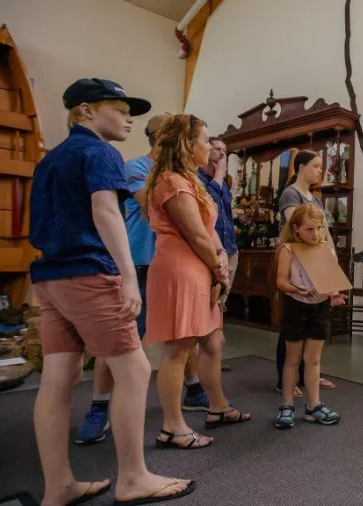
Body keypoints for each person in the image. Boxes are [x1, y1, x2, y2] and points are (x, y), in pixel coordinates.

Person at [29, 78, 193, 505]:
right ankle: (134, 478)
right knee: (135, 370)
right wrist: (126, 275)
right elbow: (105, 211)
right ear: (85, 111)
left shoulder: (50, 160)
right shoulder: (100, 151)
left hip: (49, 277)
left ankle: (59, 486)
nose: (128, 117)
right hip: (88, 273)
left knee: (57, 380)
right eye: (119, 109)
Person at [145, 114, 251, 450]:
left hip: (201, 267)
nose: (211, 147)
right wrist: (220, 269)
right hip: (182, 269)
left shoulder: (190, 180)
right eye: (205, 140)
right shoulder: (172, 182)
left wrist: (219, 255)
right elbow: (194, 234)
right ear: (187, 145)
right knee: (178, 350)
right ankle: (173, 427)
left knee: (213, 342)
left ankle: (217, 407)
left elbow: (208, 232)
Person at [273, 204, 347, 429]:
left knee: (313, 359)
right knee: (292, 360)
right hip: (296, 307)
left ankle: (314, 405)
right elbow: (281, 281)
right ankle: (287, 404)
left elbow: (328, 278)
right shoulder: (288, 250)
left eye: (319, 228)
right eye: (309, 229)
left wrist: (333, 294)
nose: (315, 234)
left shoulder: (326, 249)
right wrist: (297, 290)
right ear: (296, 229)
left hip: (320, 309)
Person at [275, 150, 338, 395]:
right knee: (291, 329)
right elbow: (297, 229)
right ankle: (285, 379)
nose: (320, 171)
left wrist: (330, 258)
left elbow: (323, 232)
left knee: (313, 328)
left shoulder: (314, 197)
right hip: (297, 264)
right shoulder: (291, 194)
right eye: (315, 166)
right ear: (301, 168)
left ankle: (309, 375)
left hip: (316, 262)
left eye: (321, 166)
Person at [197, 136, 237, 372]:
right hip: (210, 248)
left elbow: (227, 210)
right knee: (208, 301)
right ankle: (205, 354)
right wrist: (220, 173)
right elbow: (209, 205)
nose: (222, 153)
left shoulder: (223, 181)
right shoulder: (198, 178)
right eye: (217, 149)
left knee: (221, 301)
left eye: (225, 149)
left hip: (229, 247)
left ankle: (214, 353)